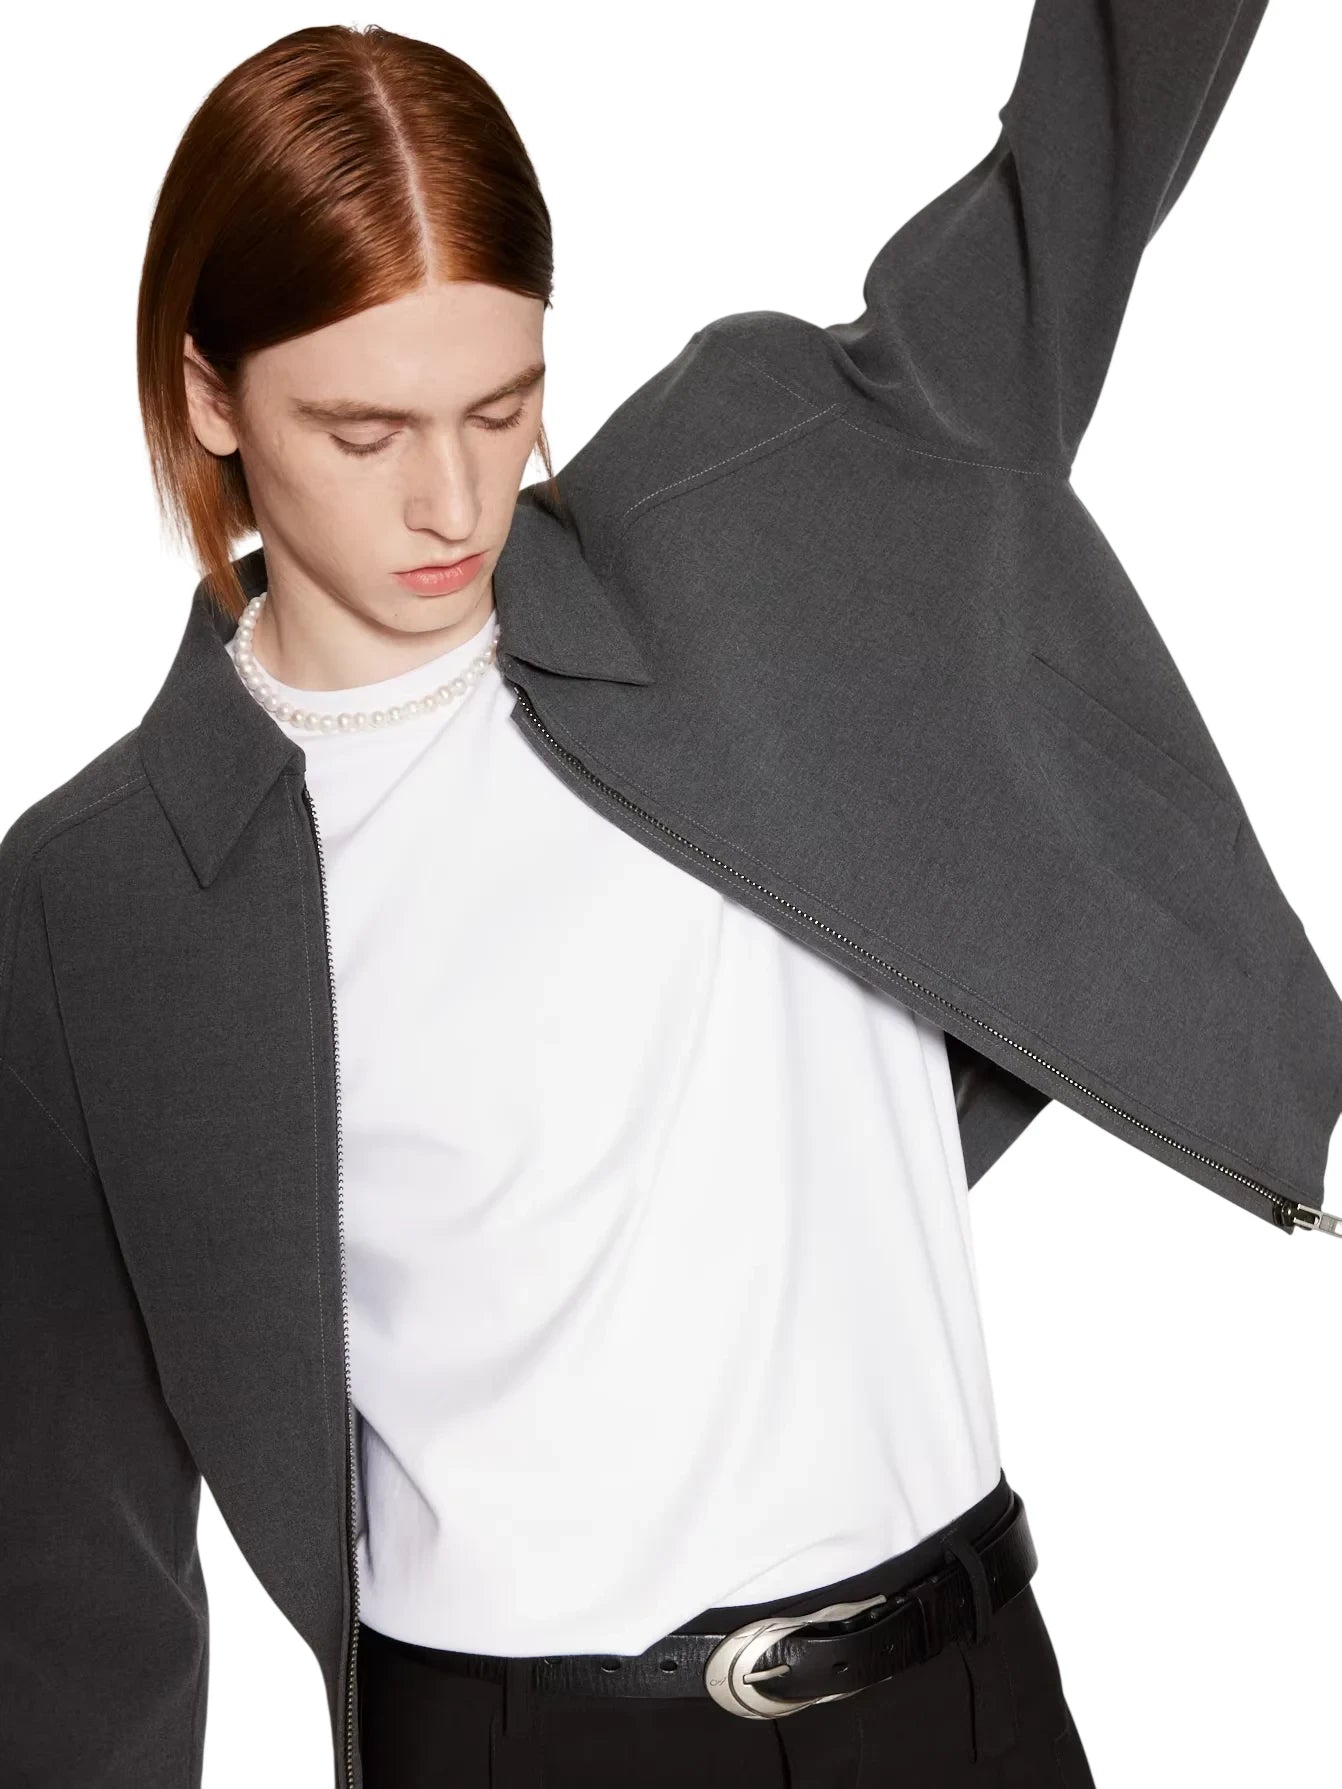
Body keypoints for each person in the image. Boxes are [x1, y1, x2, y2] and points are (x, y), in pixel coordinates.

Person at [2, 4, 1336, 1787]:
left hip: (965, 1699)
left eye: (500, 404)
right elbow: (74, 1570)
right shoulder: (104, 899)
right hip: (516, 1743)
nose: (453, 496)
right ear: (207, 395)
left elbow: (1073, 167)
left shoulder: (756, 521)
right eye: (364, 428)